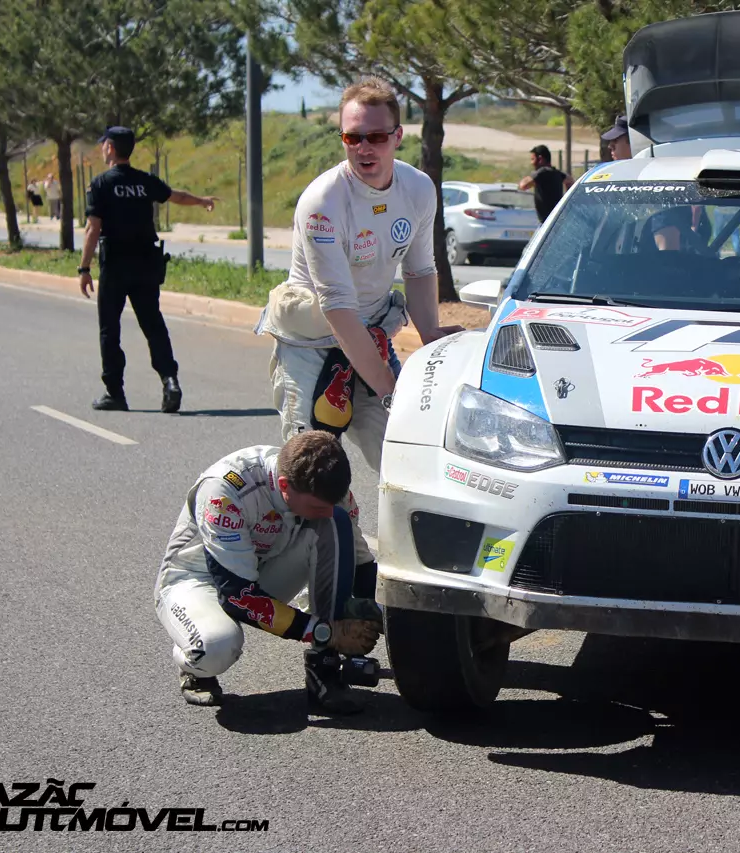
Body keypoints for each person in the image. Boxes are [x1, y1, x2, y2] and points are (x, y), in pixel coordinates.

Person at [256, 78, 463, 474]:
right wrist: (387, 386)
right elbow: (337, 307)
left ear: (398, 136)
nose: (364, 148)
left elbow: (419, 270)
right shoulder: (323, 202)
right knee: (312, 475)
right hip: (313, 343)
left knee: (405, 461)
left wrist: (428, 330)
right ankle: (335, 537)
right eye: (352, 138)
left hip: (370, 333)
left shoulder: (418, 188)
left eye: (376, 136)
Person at [154, 430, 383, 713]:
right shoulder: (225, 491)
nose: (324, 512)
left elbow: (360, 561)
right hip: (198, 581)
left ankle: (324, 670)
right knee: (216, 646)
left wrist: (368, 615)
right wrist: (325, 631)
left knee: (337, 524)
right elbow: (238, 597)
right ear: (285, 485)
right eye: (316, 506)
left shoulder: (330, 494)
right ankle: (194, 663)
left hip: (259, 573)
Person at [78, 126, 218, 412]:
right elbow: (175, 196)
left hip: (115, 266)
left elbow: (93, 229)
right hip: (145, 264)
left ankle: (115, 393)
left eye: (104, 144)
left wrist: (84, 267)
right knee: (153, 325)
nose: (103, 148)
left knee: (110, 330)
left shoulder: (101, 184)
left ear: (110, 149)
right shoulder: (144, 181)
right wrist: (202, 201)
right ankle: (170, 381)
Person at [519, 144, 572, 223]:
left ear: (540, 159)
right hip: (556, 219)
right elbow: (570, 181)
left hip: (546, 221)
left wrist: (533, 176)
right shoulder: (556, 173)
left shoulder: (541, 173)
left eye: (533, 159)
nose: (531, 163)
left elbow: (523, 185)